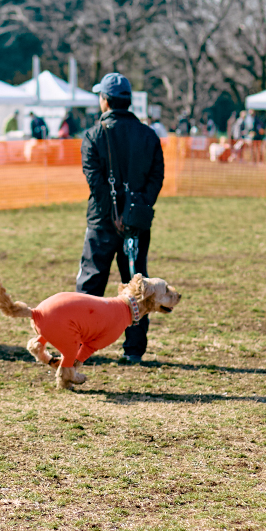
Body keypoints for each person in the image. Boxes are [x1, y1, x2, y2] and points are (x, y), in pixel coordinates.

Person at [78, 73, 165, 365]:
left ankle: (81, 345)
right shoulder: (148, 134)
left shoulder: (94, 135)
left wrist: (113, 213)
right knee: (137, 283)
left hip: (102, 222)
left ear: (104, 100)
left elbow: (95, 180)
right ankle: (134, 349)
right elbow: (157, 176)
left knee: (91, 285)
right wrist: (138, 206)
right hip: (137, 224)